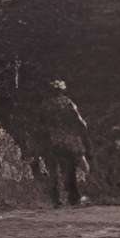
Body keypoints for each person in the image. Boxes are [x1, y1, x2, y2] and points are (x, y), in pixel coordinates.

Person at [28, 79, 91, 207]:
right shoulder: (68, 103)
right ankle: (74, 198)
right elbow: (80, 122)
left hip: (51, 140)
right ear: (63, 90)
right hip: (67, 140)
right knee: (70, 169)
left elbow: (38, 125)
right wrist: (83, 135)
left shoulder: (45, 105)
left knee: (53, 169)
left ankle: (55, 199)